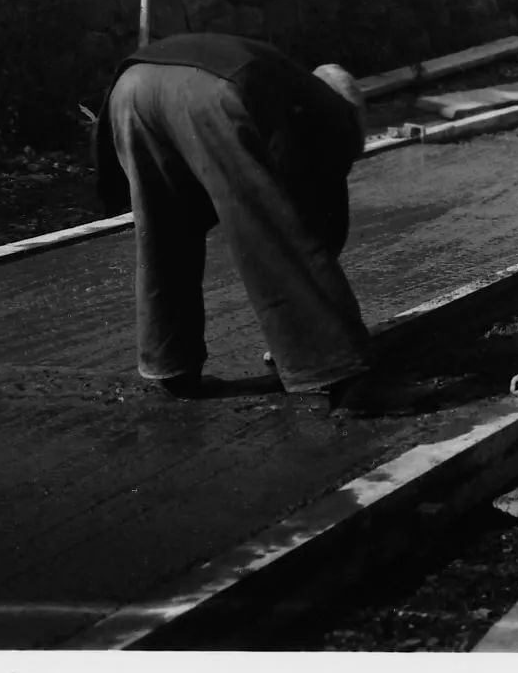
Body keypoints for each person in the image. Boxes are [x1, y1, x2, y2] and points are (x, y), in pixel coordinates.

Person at [93, 32, 412, 417]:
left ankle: (173, 368)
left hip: (131, 89)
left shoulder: (284, 82)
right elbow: (314, 221)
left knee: (166, 232)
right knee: (273, 229)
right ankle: (343, 375)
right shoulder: (329, 110)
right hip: (211, 93)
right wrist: (315, 308)